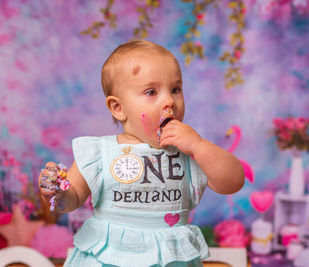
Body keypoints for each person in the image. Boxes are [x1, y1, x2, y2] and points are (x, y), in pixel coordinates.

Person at [38, 40, 245, 267]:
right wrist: (57, 193)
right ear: (118, 108)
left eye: (175, 89)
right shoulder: (101, 152)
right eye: (151, 92)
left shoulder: (190, 153)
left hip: (170, 259)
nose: (169, 101)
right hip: (109, 259)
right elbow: (72, 199)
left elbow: (233, 182)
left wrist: (198, 146)